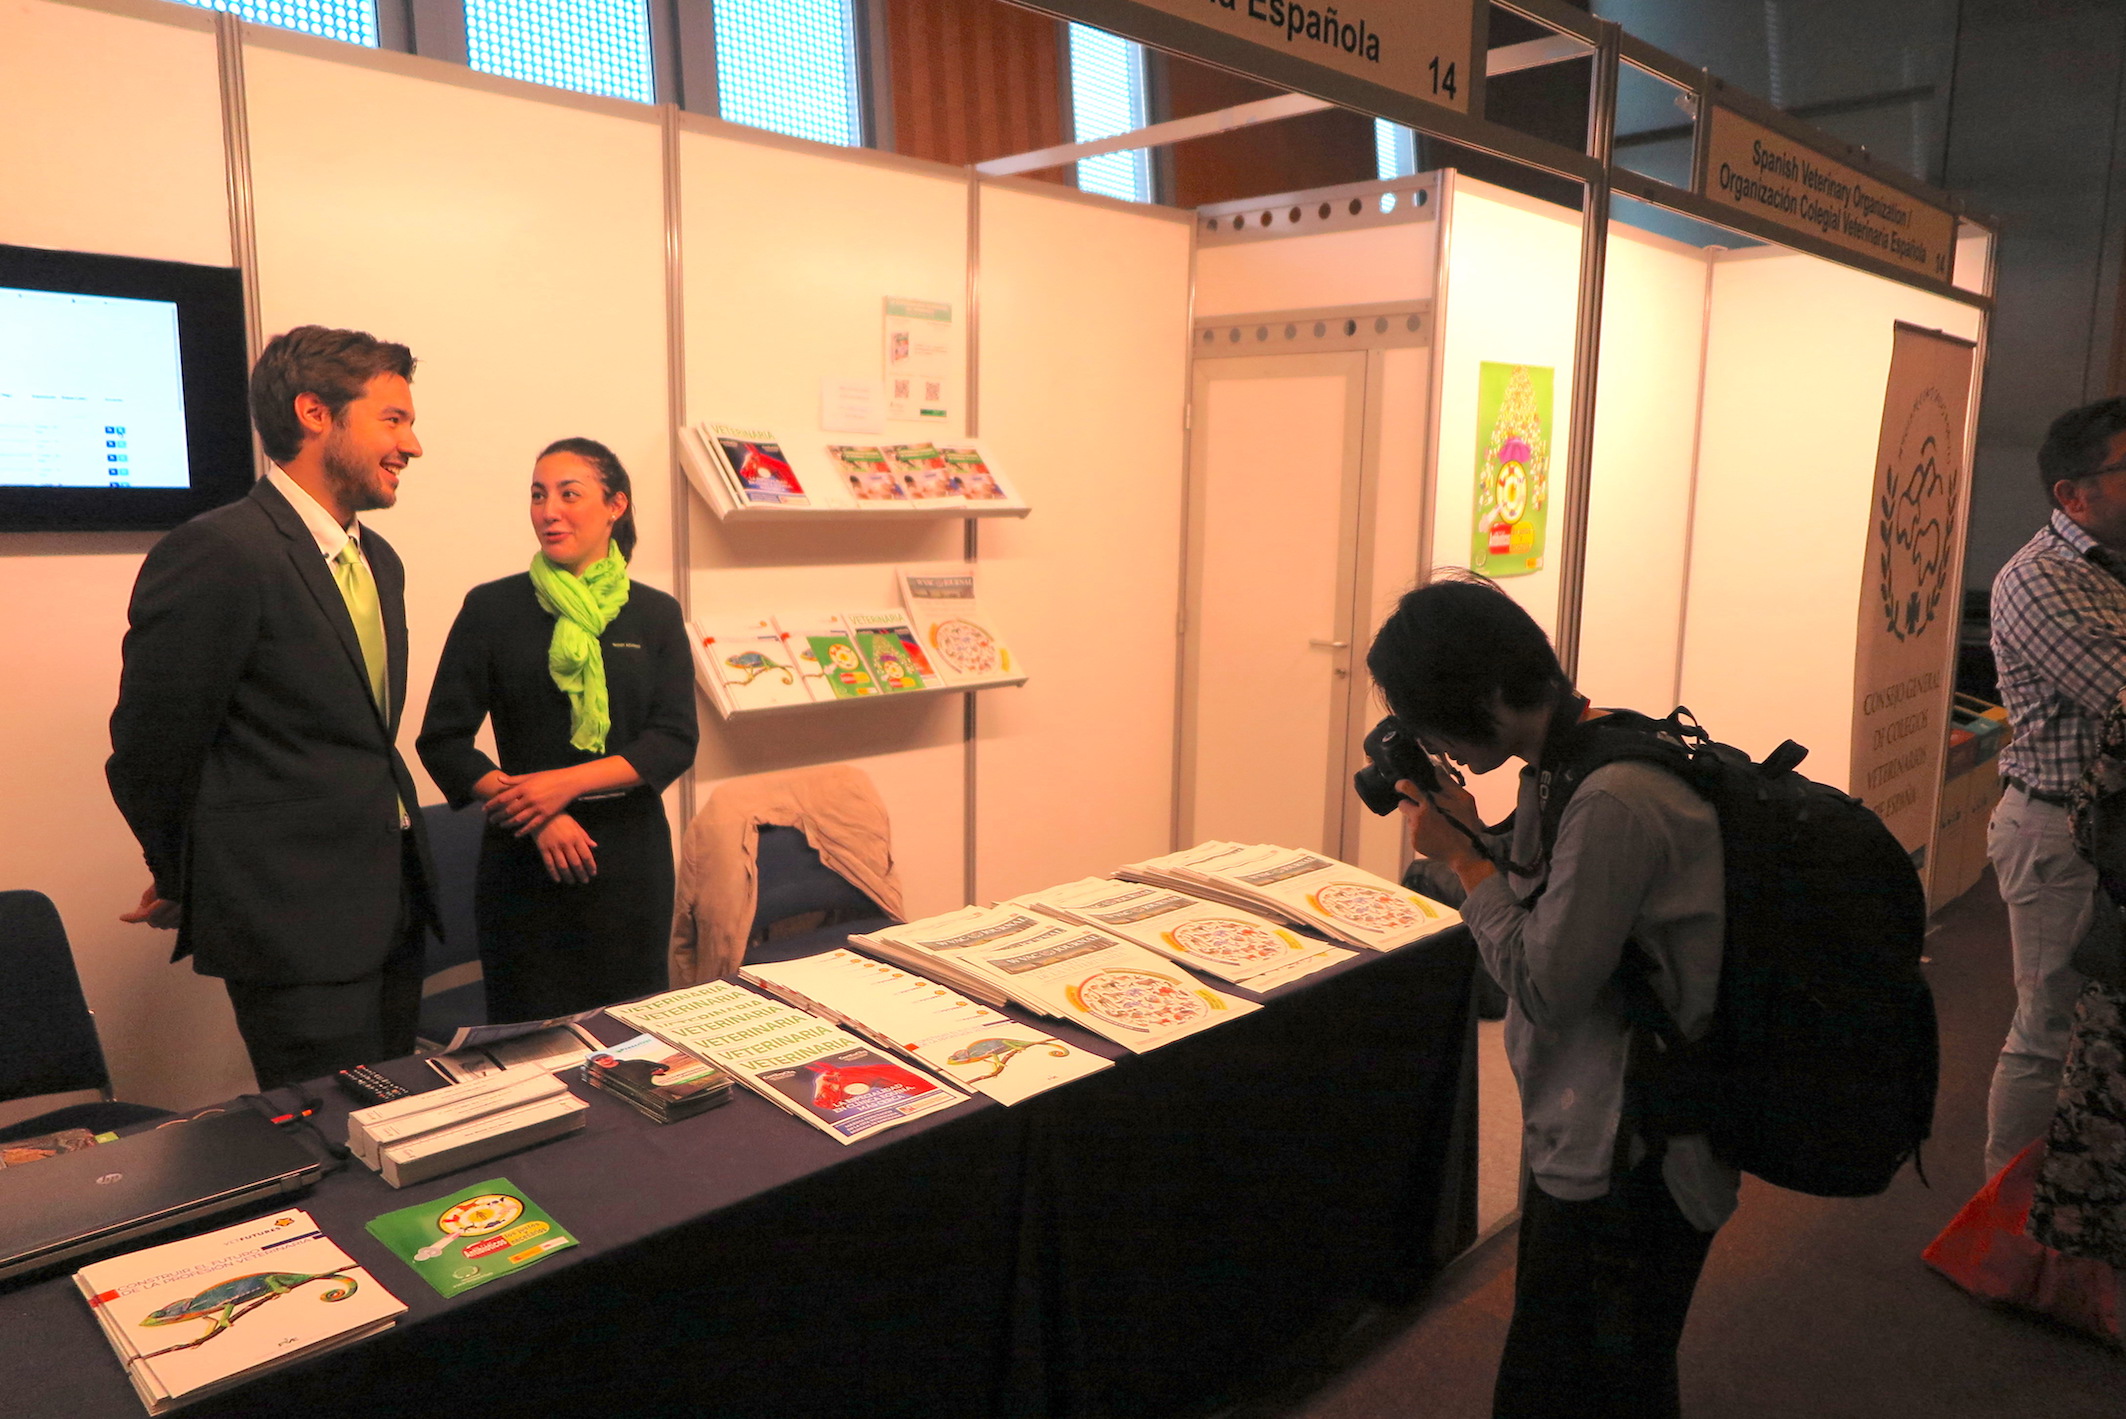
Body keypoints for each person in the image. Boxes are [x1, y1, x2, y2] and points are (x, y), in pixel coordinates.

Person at [1368, 575, 1731, 1419]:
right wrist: (1476, 836)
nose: (1434, 743)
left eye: (1434, 720)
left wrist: (1465, 862)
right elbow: (1550, 903)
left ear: (1490, 694)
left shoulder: (1611, 797)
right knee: (1614, 1372)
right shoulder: (1575, 757)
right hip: (1593, 1120)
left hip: (1634, 1143)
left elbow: (1541, 982)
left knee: (1568, 1380)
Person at [107, 325, 436, 1091]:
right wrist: (184, 875)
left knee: (396, 1132)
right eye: (393, 419)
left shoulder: (379, 560)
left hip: (393, 910)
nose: (412, 445)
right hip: (292, 927)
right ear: (315, 413)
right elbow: (150, 749)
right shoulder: (221, 551)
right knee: (328, 1143)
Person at [417, 438, 697, 1022]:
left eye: (569, 494)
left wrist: (565, 784)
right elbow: (443, 741)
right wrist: (538, 812)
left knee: (632, 1037)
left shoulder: (655, 614)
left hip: (629, 860)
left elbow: (673, 739)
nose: (549, 511)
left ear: (615, 505)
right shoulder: (491, 609)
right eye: (538, 495)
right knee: (530, 1043)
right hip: (523, 859)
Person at [1982, 395, 2126, 1176]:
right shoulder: (2041, 579)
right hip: (2062, 836)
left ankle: (2072, 1211)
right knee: (2050, 1033)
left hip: (2106, 833)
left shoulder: (2111, 568)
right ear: (2073, 493)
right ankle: (2008, 1220)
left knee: (2097, 1030)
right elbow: (2122, 698)